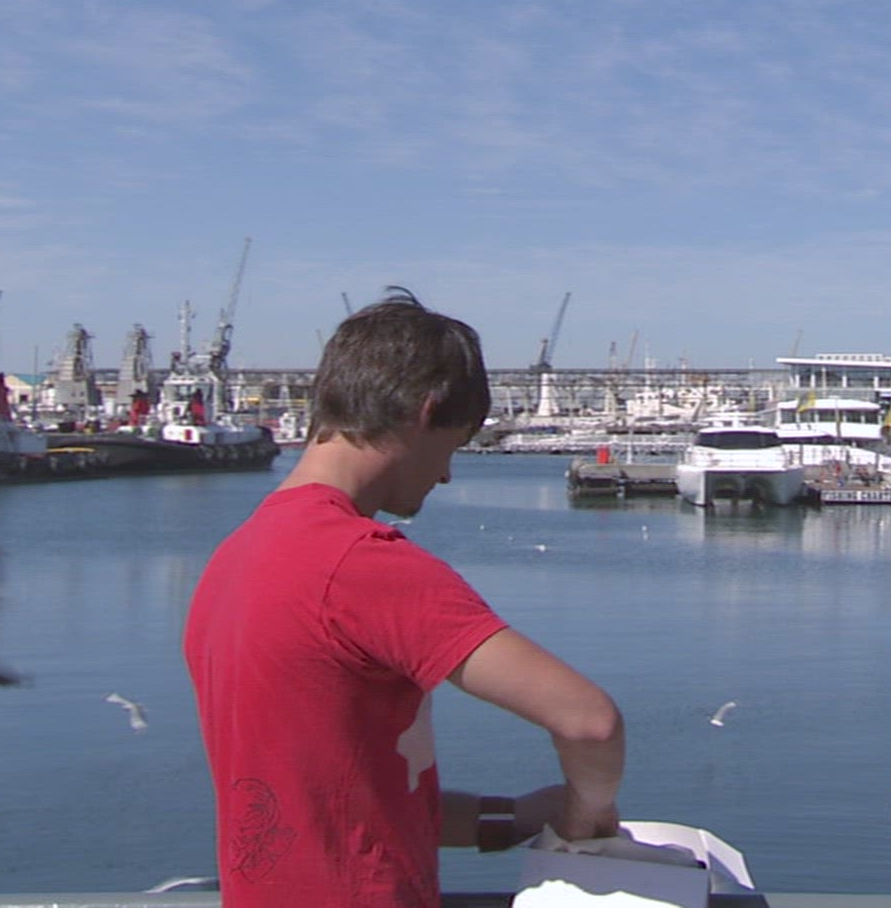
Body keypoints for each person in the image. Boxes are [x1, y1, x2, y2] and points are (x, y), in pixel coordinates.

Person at [185, 289, 625, 906]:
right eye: (453, 447)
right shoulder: (360, 563)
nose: (446, 474)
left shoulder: (234, 560)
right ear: (425, 413)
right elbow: (589, 721)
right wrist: (586, 813)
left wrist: (514, 816)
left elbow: (326, 800)